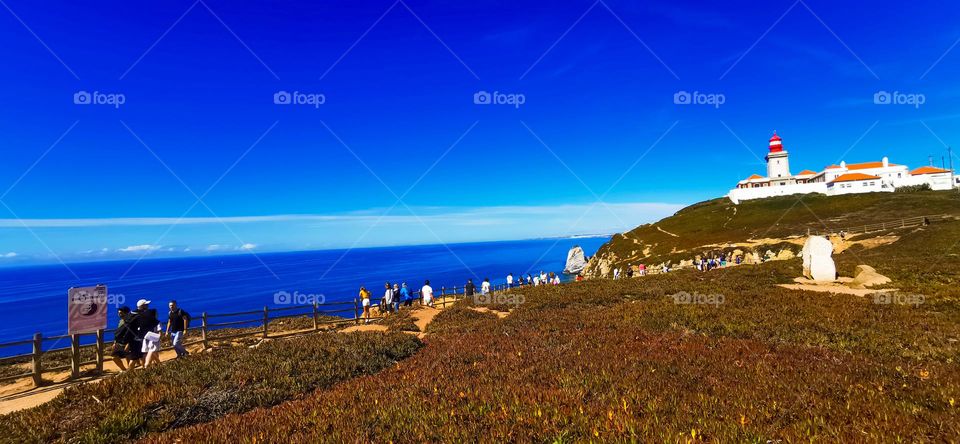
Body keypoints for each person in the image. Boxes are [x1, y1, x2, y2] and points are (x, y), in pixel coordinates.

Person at [131, 299, 161, 368]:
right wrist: (160, 334)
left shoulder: (137, 315)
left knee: (149, 351)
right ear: (143, 306)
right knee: (152, 350)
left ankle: (158, 363)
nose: (148, 306)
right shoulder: (149, 314)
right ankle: (147, 364)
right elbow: (156, 323)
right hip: (152, 335)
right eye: (146, 305)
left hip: (144, 336)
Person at [111, 306, 135, 372]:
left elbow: (133, 334)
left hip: (129, 343)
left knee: (128, 357)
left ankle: (130, 371)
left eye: (121, 313)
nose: (119, 314)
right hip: (119, 343)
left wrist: (128, 344)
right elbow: (119, 333)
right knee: (114, 357)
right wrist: (115, 342)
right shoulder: (121, 321)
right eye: (118, 313)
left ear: (126, 313)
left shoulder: (131, 322)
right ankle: (124, 370)